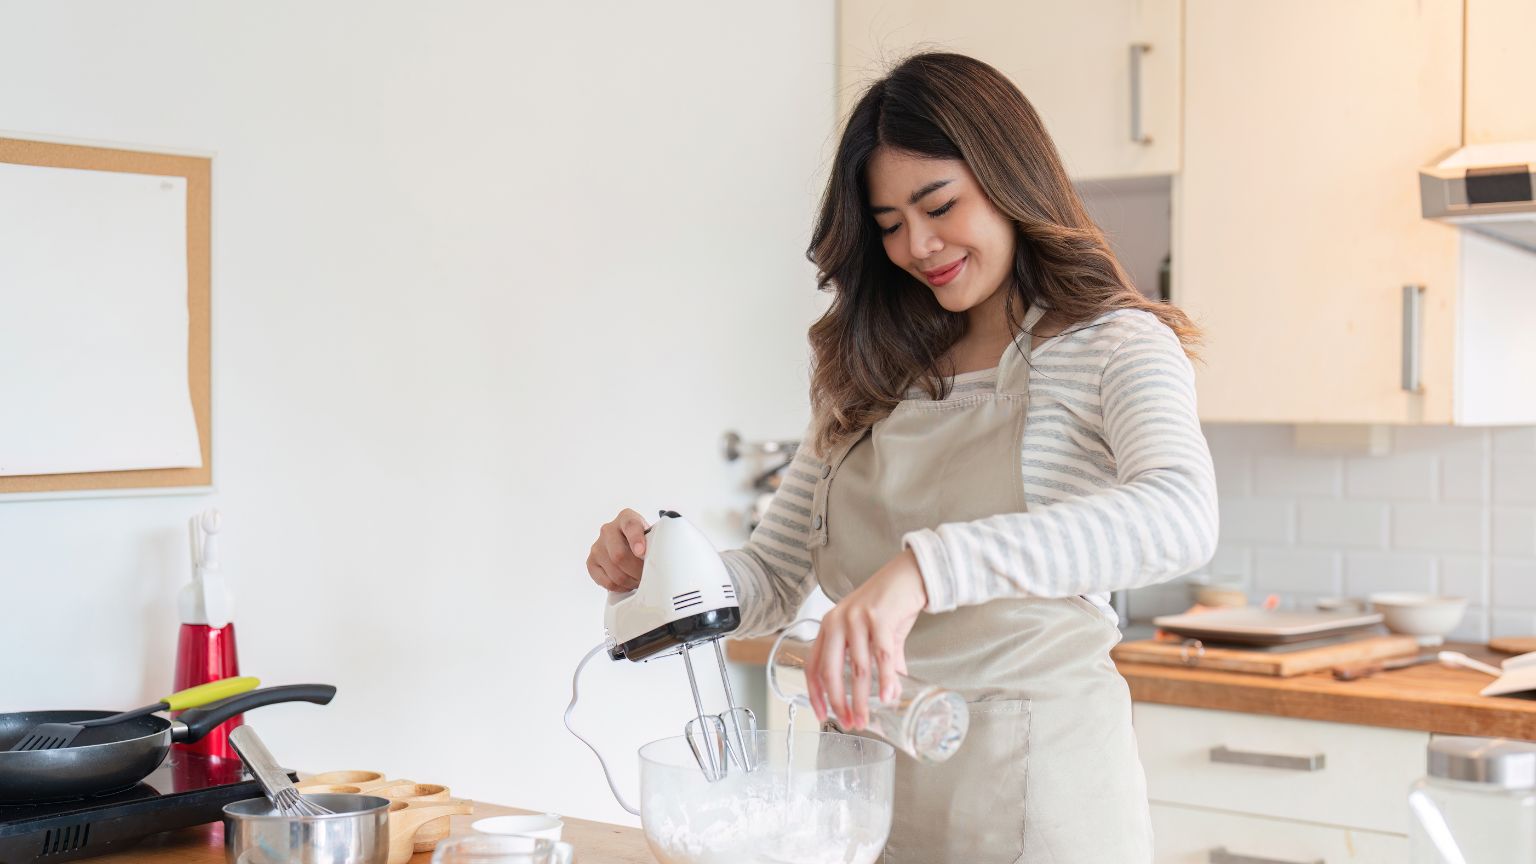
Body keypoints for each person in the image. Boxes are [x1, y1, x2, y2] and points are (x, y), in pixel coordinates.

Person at [586, 52, 1217, 862]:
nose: (918, 245)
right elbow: (776, 580)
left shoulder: (1112, 346)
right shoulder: (869, 367)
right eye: (888, 225)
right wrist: (663, 574)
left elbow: (1180, 515)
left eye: (938, 205)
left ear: (1010, 178)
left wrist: (927, 568)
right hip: (872, 792)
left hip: (1045, 797)